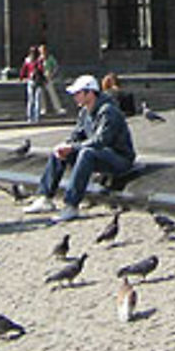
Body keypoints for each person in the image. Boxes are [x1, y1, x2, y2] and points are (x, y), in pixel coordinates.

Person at [23, 74, 136, 221]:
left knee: (86, 153)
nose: (75, 97)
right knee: (59, 151)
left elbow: (101, 140)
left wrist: (74, 148)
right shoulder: (85, 112)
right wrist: (66, 146)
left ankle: (71, 205)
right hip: (100, 153)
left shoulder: (108, 111)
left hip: (120, 158)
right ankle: (45, 197)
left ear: (90, 93)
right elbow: (77, 135)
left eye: (78, 93)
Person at [19, 45, 46, 123]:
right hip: (38, 81)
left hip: (31, 80)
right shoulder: (39, 60)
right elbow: (41, 70)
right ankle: (36, 117)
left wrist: (22, 77)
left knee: (31, 99)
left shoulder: (28, 60)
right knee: (37, 99)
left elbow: (23, 70)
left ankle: (30, 117)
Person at [40, 43, 66, 116]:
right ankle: (43, 108)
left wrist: (52, 74)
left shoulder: (50, 58)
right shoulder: (39, 59)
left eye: (44, 50)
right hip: (41, 78)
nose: (43, 52)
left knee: (52, 93)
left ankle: (58, 108)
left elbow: (55, 66)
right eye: (41, 50)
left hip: (48, 78)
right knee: (41, 93)